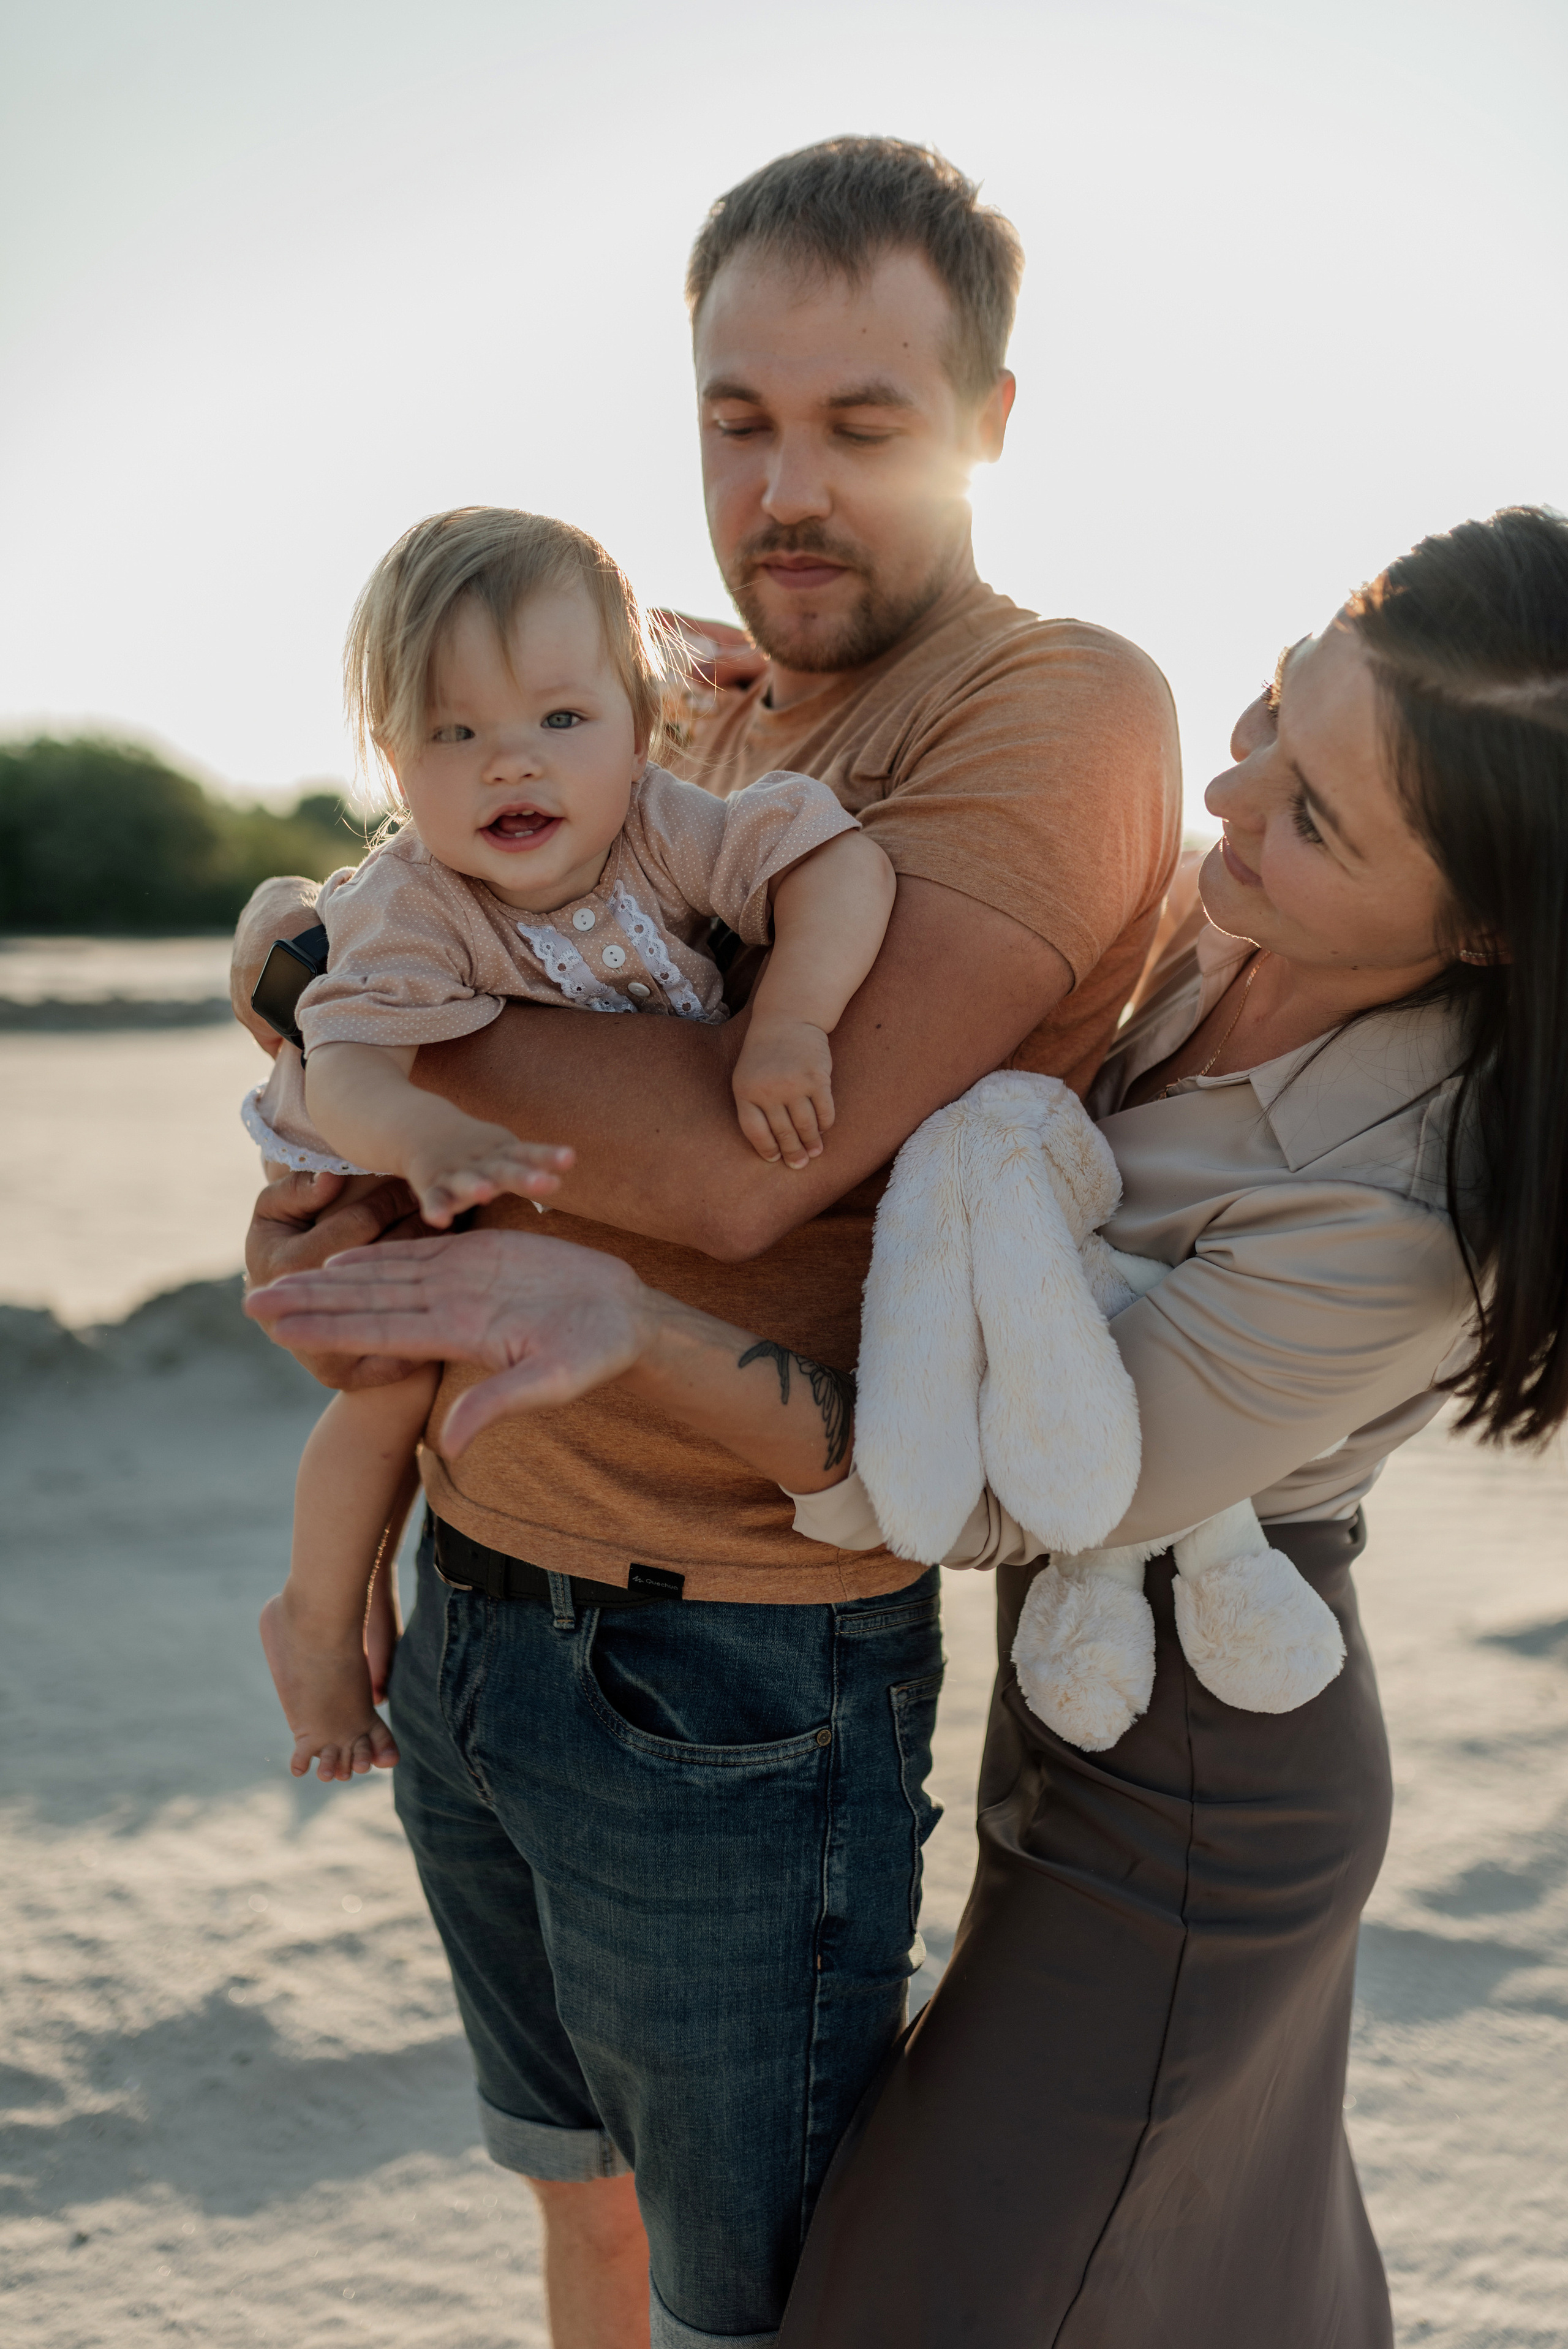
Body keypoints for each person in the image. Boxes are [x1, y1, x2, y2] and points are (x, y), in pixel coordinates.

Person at [247, 504, 1568, 2349]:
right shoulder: (1213, 931)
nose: (1228, 807)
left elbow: (1004, 1505)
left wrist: (623, 1325)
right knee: (1181, 2279)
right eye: (1272, 717)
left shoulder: (1405, 1212)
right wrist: (651, 706)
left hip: (1205, 1797)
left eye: (1315, 814)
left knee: (914, 2305)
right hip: (1064, 1731)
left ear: (1493, 921)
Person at [242, 136, 1181, 2349]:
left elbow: (756, 1159)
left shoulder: (1050, 708)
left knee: (755, 2303)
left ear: (990, 425)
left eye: (865, 425)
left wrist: (316, 1003)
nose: (786, 490)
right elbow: (476, 944)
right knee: (580, 2221)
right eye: (735, 417)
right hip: (476, 1598)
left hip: (737, 1662)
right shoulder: (688, 708)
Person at [233, 505, 892, 1782]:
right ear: (389, 758)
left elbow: (835, 865)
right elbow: (351, 1069)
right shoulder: (415, 905)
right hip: (387, 1153)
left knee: (447, 1376)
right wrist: (427, 1133)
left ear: (642, 728)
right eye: (453, 732)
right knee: (384, 1391)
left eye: (559, 721)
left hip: (526, 1178)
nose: (509, 767)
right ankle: (316, 1619)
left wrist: (790, 1025)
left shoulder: (664, 824)